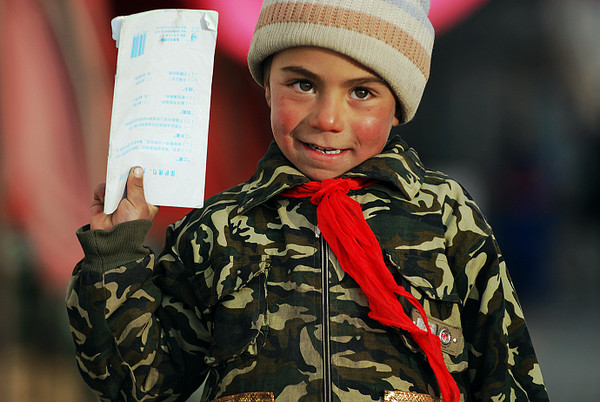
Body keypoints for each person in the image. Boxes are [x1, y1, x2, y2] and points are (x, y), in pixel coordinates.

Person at [66, 1, 549, 401]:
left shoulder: (444, 216)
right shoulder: (218, 228)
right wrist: (115, 257)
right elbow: (141, 384)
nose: (327, 118)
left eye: (362, 92)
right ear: (267, 85)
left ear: (399, 104)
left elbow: (508, 375)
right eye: (303, 85)